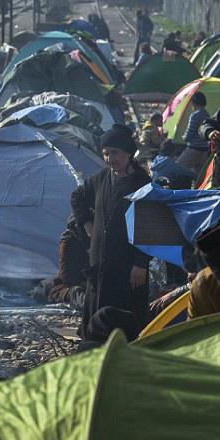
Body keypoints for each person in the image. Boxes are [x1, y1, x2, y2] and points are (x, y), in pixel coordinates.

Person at [70, 125, 152, 335]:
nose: (109, 159)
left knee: (124, 317)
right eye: (106, 153)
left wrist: (140, 263)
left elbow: (149, 224)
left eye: (114, 153)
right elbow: (77, 197)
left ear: (127, 153)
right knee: (96, 313)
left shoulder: (142, 184)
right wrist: (87, 223)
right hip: (101, 261)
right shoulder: (101, 179)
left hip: (128, 264)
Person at [176, 91, 211, 174]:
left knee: (178, 168)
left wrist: (183, 137)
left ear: (194, 103)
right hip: (204, 150)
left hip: (194, 149)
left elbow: (190, 133)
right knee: (199, 175)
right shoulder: (207, 114)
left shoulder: (195, 115)